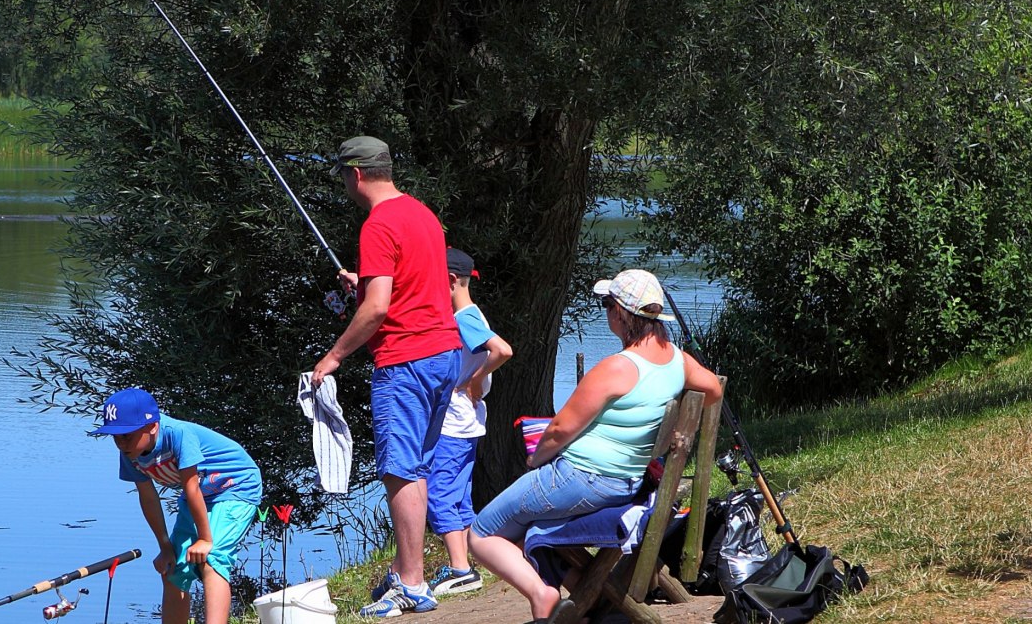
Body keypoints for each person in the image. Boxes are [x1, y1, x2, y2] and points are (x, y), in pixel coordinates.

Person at [467, 269, 723, 622]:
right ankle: (582, 600)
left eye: (607, 304)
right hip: (626, 482)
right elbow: (714, 389)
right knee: (528, 523)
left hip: (581, 478)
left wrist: (536, 461)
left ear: (622, 313)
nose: (606, 313)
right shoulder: (678, 361)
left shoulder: (617, 367)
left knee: (481, 533)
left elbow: (559, 430)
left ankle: (543, 595)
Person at [309, 135, 463, 617]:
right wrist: (366, 280)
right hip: (445, 355)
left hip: (405, 361)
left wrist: (333, 357)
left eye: (342, 176)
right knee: (417, 465)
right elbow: (411, 284)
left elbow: (377, 311)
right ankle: (408, 572)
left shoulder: (377, 225)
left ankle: (412, 583)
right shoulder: (422, 214)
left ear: (355, 174)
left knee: (400, 470)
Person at [91, 387, 263, 624]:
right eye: (116, 437)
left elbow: (191, 487)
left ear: (152, 426)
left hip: (235, 486)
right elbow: (148, 497)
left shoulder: (178, 434)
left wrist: (204, 539)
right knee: (173, 568)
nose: (121, 443)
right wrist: (165, 546)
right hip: (201, 492)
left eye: (127, 435)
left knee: (212, 559)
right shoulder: (130, 453)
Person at [426, 248, 513, 596]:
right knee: (459, 493)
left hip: (454, 420)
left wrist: (477, 378)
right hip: (467, 421)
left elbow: (502, 350)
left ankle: (460, 568)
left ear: (449, 281)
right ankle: (465, 563)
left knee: (439, 492)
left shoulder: (464, 317)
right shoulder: (471, 312)